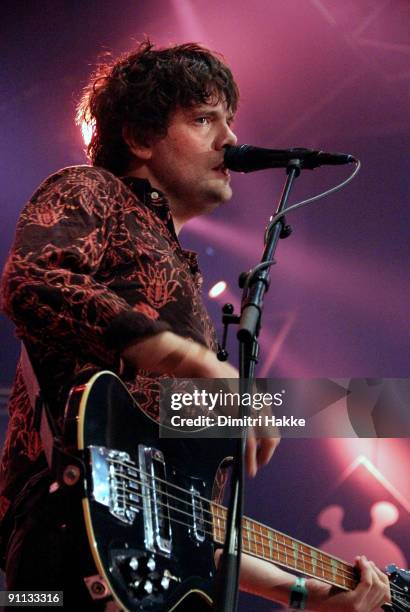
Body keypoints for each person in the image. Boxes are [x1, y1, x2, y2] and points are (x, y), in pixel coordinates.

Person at [0, 40, 390, 610]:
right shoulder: (90, 190)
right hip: (48, 567)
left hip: (129, 577)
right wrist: (195, 360)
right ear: (138, 137)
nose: (230, 139)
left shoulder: (179, 272)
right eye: (204, 118)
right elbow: (30, 282)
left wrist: (305, 593)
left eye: (228, 120)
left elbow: (183, 520)